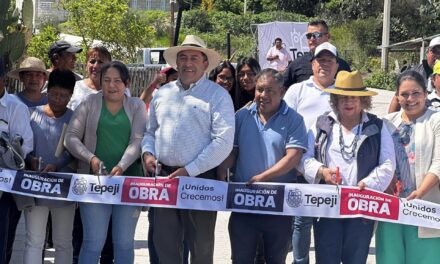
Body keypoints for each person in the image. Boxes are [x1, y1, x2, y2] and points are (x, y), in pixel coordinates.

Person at [141, 34, 234, 264]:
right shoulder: (162, 93)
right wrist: (147, 153)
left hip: (200, 181)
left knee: (200, 250)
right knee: (166, 247)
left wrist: (190, 170)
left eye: (194, 57)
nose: (188, 63)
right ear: (176, 63)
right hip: (164, 178)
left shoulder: (218, 96)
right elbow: (150, 131)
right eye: (183, 57)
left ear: (205, 63)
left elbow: (223, 142)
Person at [301, 70, 395, 264]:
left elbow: (387, 164)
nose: (348, 102)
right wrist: (321, 171)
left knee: (356, 259)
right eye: (343, 97)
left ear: (363, 101)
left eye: (354, 97)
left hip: (361, 208)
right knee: (326, 259)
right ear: (335, 100)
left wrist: (368, 183)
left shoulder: (378, 126)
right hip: (327, 207)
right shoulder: (321, 124)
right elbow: (305, 158)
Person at [218, 68, 307, 263]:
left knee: (275, 259)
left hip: (278, 206)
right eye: (259, 90)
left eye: (270, 91)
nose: (263, 95)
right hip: (244, 203)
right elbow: (233, 152)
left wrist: (261, 178)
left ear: (282, 92)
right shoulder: (242, 117)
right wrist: (222, 171)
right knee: (241, 259)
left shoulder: (294, 119)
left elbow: (293, 157)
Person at [65, 61, 147, 264]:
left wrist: (122, 165)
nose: (112, 85)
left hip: (129, 184)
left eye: (117, 81)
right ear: (100, 82)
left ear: (127, 83)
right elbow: (71, 137)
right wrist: (90, 158)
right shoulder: (89, 103)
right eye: (107, 80)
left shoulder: (136, 105)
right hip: (95, 184)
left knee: (124, 243)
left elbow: (138, 140)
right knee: (93, 242)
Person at [283, 42, 339, 264]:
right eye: (320, 60)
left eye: (329, 61)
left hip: (334, 169)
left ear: (336, 66)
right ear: (312, 64)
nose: (324, 65)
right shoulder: (298, 90)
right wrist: (292, 161)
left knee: (327, 222)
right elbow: (284, 123)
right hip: (301, 166)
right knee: (301, 222)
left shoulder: (342, 91)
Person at [376, 70, 440, 264]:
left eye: (416, 93)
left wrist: (419, 193)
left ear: (425, 94)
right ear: (396, 96)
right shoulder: (386, 123)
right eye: (404, 94)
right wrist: (383, 182)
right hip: (391, 207)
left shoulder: (436, 120)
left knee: (424, 258)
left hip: (425, 206)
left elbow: (439, 163)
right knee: (390, 258)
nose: (410, 99)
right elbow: (378, 162)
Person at [23, 69, 76, 264]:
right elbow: (24, 146)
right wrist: (30, 160)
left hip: (64, 189)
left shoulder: (75, 118)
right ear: (47, 91)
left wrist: (57, 164)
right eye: (54, 94)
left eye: (64, 96)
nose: (58, 100)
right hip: (35, 188)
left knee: (63, 242)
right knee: (34, 241)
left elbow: (76, 151)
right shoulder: (32, 115)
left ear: (71, 96)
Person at [0, 58, 34, 264]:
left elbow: (25, 146)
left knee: (2, 241)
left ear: (3, 79)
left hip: (5, 186)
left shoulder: (16, 107)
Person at [283, 20, 351, 88]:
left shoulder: (343, 66)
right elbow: (282, 90)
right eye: (309, 36)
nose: (312, 39)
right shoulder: (296, 65)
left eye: (316, 35)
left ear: (328, 37)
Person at [388, 36, 440, 113]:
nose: (438, 55)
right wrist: (390, 122)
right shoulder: (413, 73)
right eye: (434, 51)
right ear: (427, 52)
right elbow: (397, 98)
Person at [68, 46, 112, 110]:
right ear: (86, 64)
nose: (95, 66)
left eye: (100, 62)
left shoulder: (115, 91)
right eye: (92, 61)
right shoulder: (74, 87)